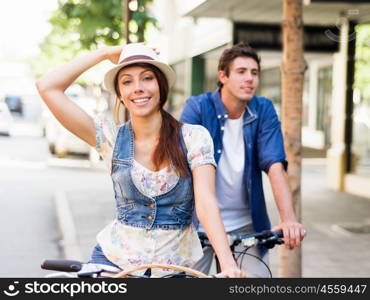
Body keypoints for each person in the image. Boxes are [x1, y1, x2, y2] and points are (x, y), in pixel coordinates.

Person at [36, 43, 246, 278]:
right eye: (127, 81)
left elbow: (206, 203)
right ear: (120, 95)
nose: (138, 88)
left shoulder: (194, 137)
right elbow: (47, 87)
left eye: (147, 78)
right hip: (113, 264)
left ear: (161, 86)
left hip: (173, 270)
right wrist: (104, 52)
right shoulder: (110, 138)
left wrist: (228, 264)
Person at [180, 41, 306, 277]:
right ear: (223, 76)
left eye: (254, 72)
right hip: (197, 225)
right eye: (241, 72)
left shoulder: (263, 110)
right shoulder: (197, 108)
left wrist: (289, 220)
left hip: (246, 226)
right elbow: (181, 165)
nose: (249, 78)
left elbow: (274, 164)